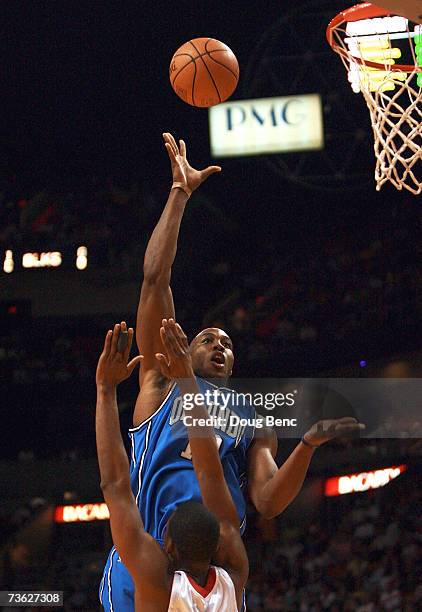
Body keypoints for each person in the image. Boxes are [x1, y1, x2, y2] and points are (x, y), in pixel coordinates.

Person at [100, 133, 365, 611]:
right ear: (186, 347)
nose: (219, 345)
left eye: (228, 343)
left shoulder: (252, 416)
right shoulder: (161, 380)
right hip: (149, 549)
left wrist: (305, 447)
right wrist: (179, 194)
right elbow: (155, 279)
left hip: (216, 557)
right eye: (208, 338)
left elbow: (266, 501)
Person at [96, 320, 248, 611]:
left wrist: (105, 389)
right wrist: (188, 382)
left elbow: (114, 484)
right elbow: (210, 473)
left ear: (168, 548)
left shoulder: (156, 583)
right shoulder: (234, 568)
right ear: (220, 546)